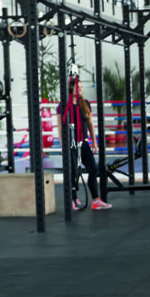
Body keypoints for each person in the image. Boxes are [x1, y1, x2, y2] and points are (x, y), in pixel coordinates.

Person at [58, 74, 111, 210]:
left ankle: (96, 201)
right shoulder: (63, 105)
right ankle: (73, 200)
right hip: (72, 144)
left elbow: (91, 124)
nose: (80, 90)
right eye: (77, 87)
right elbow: (60, 126)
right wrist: (63, 146)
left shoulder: (85, 103)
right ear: (71, 89)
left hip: (84, 143)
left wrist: (94, 142)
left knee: (93, 169)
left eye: (81, 87)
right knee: (73, 173)